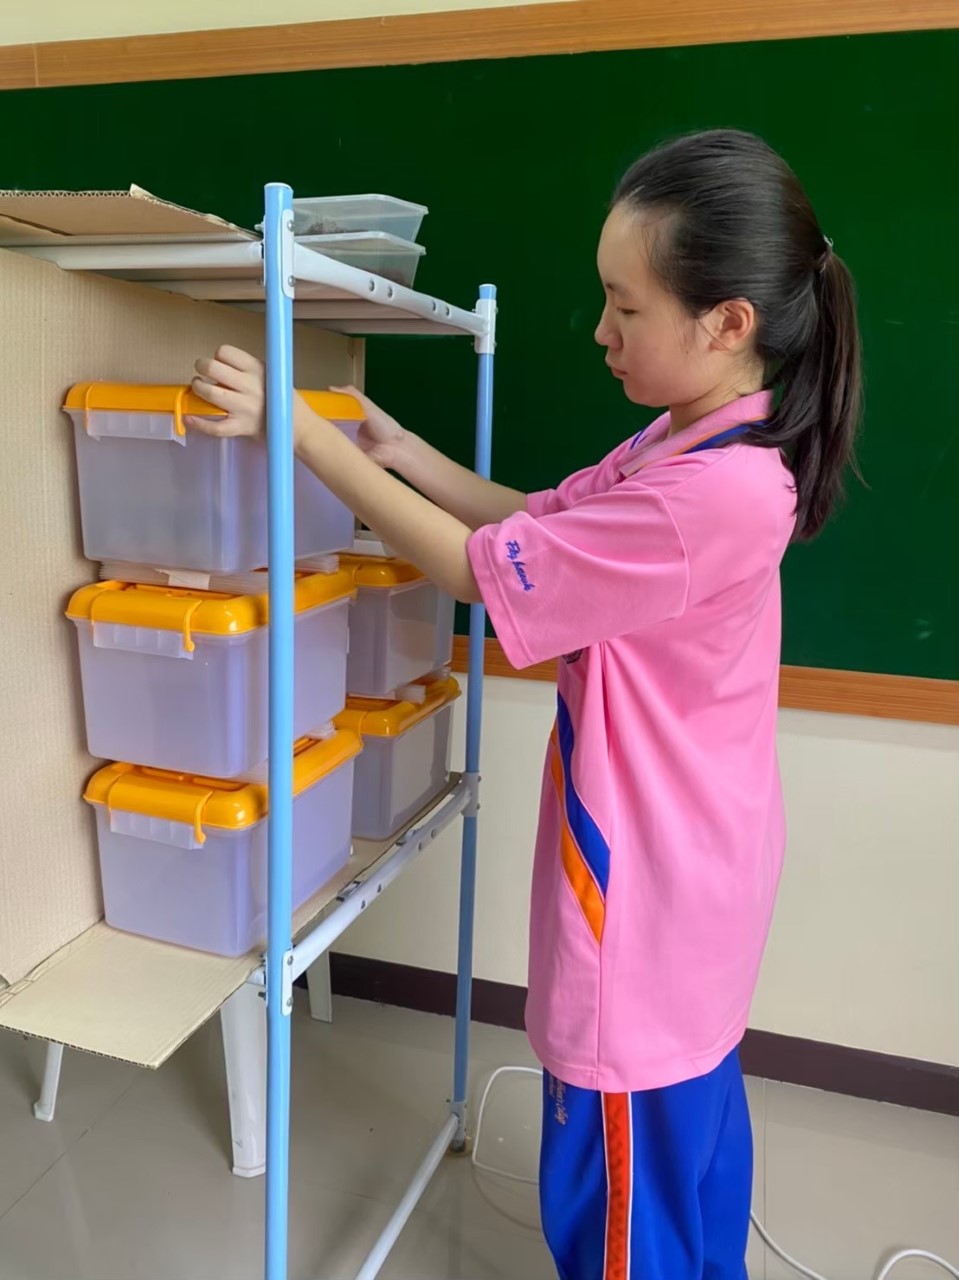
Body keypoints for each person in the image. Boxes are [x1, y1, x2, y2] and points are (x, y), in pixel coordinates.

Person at [187, 128, 861, 1280]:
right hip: (696, 877)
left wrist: (295, 433)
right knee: (689, 1151)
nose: (598, 330)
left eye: (623, 305)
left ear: (726, 321)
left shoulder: (708, 496)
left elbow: (474, 571)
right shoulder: (705, 439)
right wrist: (398, 447)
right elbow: (531, 521)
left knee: (620, 1199)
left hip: (646, 900)